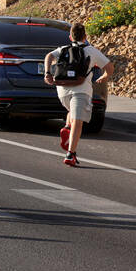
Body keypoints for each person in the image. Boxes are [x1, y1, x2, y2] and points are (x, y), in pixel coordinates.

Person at [43, 23, 113, 166]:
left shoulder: (63, 49)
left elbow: (49, 56)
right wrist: (104, 77)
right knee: (78, 121)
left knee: (72, 112)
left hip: (62, 90)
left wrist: (47, 73)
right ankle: (71, 154)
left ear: (70, 37)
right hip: (81, 89)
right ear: (85, 37)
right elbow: (109, 67)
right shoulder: (91, 50)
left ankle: (67, 128)